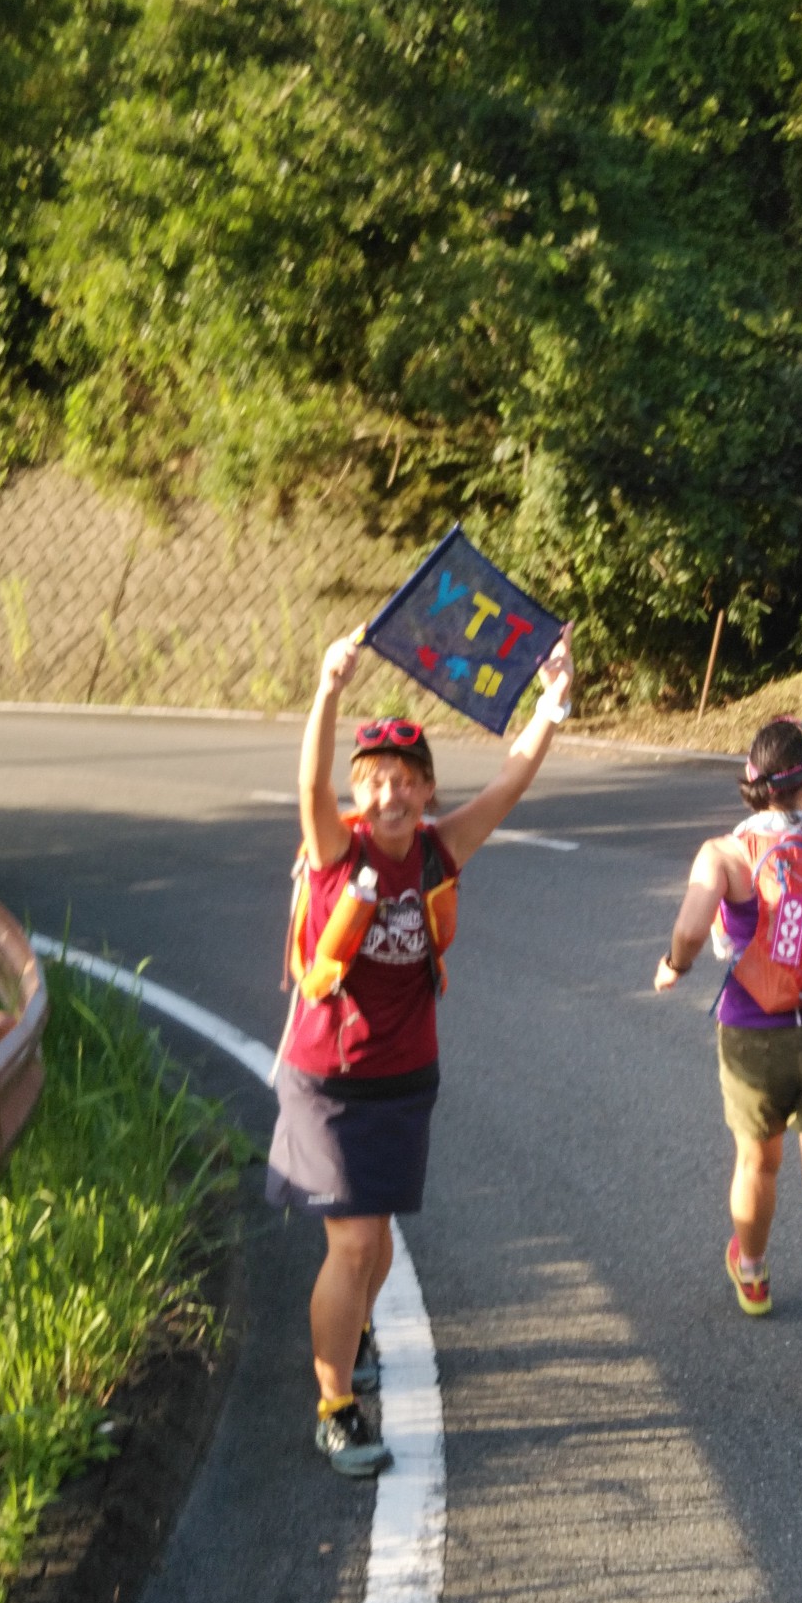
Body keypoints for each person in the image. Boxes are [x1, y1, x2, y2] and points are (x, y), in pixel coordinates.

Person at [269, 624, 575, 1475]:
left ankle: (354, 1332)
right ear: (356, 794)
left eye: (406, 780)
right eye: (373, 781)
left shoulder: (440, 849)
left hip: (405, 1080)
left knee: (378, 1240)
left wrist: (553, 700)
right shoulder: (339, 850)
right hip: (328, 1077)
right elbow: (307, 783)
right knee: (357, 1244)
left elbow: (511, 783)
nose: (391, 794)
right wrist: (329, 687)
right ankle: (335, 1408)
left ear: (427, 788)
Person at [654, 716, 802, 1387]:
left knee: (758, 1163)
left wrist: (674, 964)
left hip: (755, 1033)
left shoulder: (722, 855)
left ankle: (751, 1272)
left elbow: (692, 925)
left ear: (750, 784)